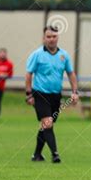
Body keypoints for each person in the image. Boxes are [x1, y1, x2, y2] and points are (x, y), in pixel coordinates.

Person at [26, 26, 78, 163]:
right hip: (40, 94)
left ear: (58, 38)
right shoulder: (37, 54)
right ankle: (55, 154)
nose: (51, 39)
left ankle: (36, 155)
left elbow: (71, 73)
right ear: (44, 38)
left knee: (46, 124)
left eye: (54, 36)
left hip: (55, 95)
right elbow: (29, 74)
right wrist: (28, 94)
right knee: (48, 123)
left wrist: (75, 92)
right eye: (48, 37)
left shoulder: (64, 55)